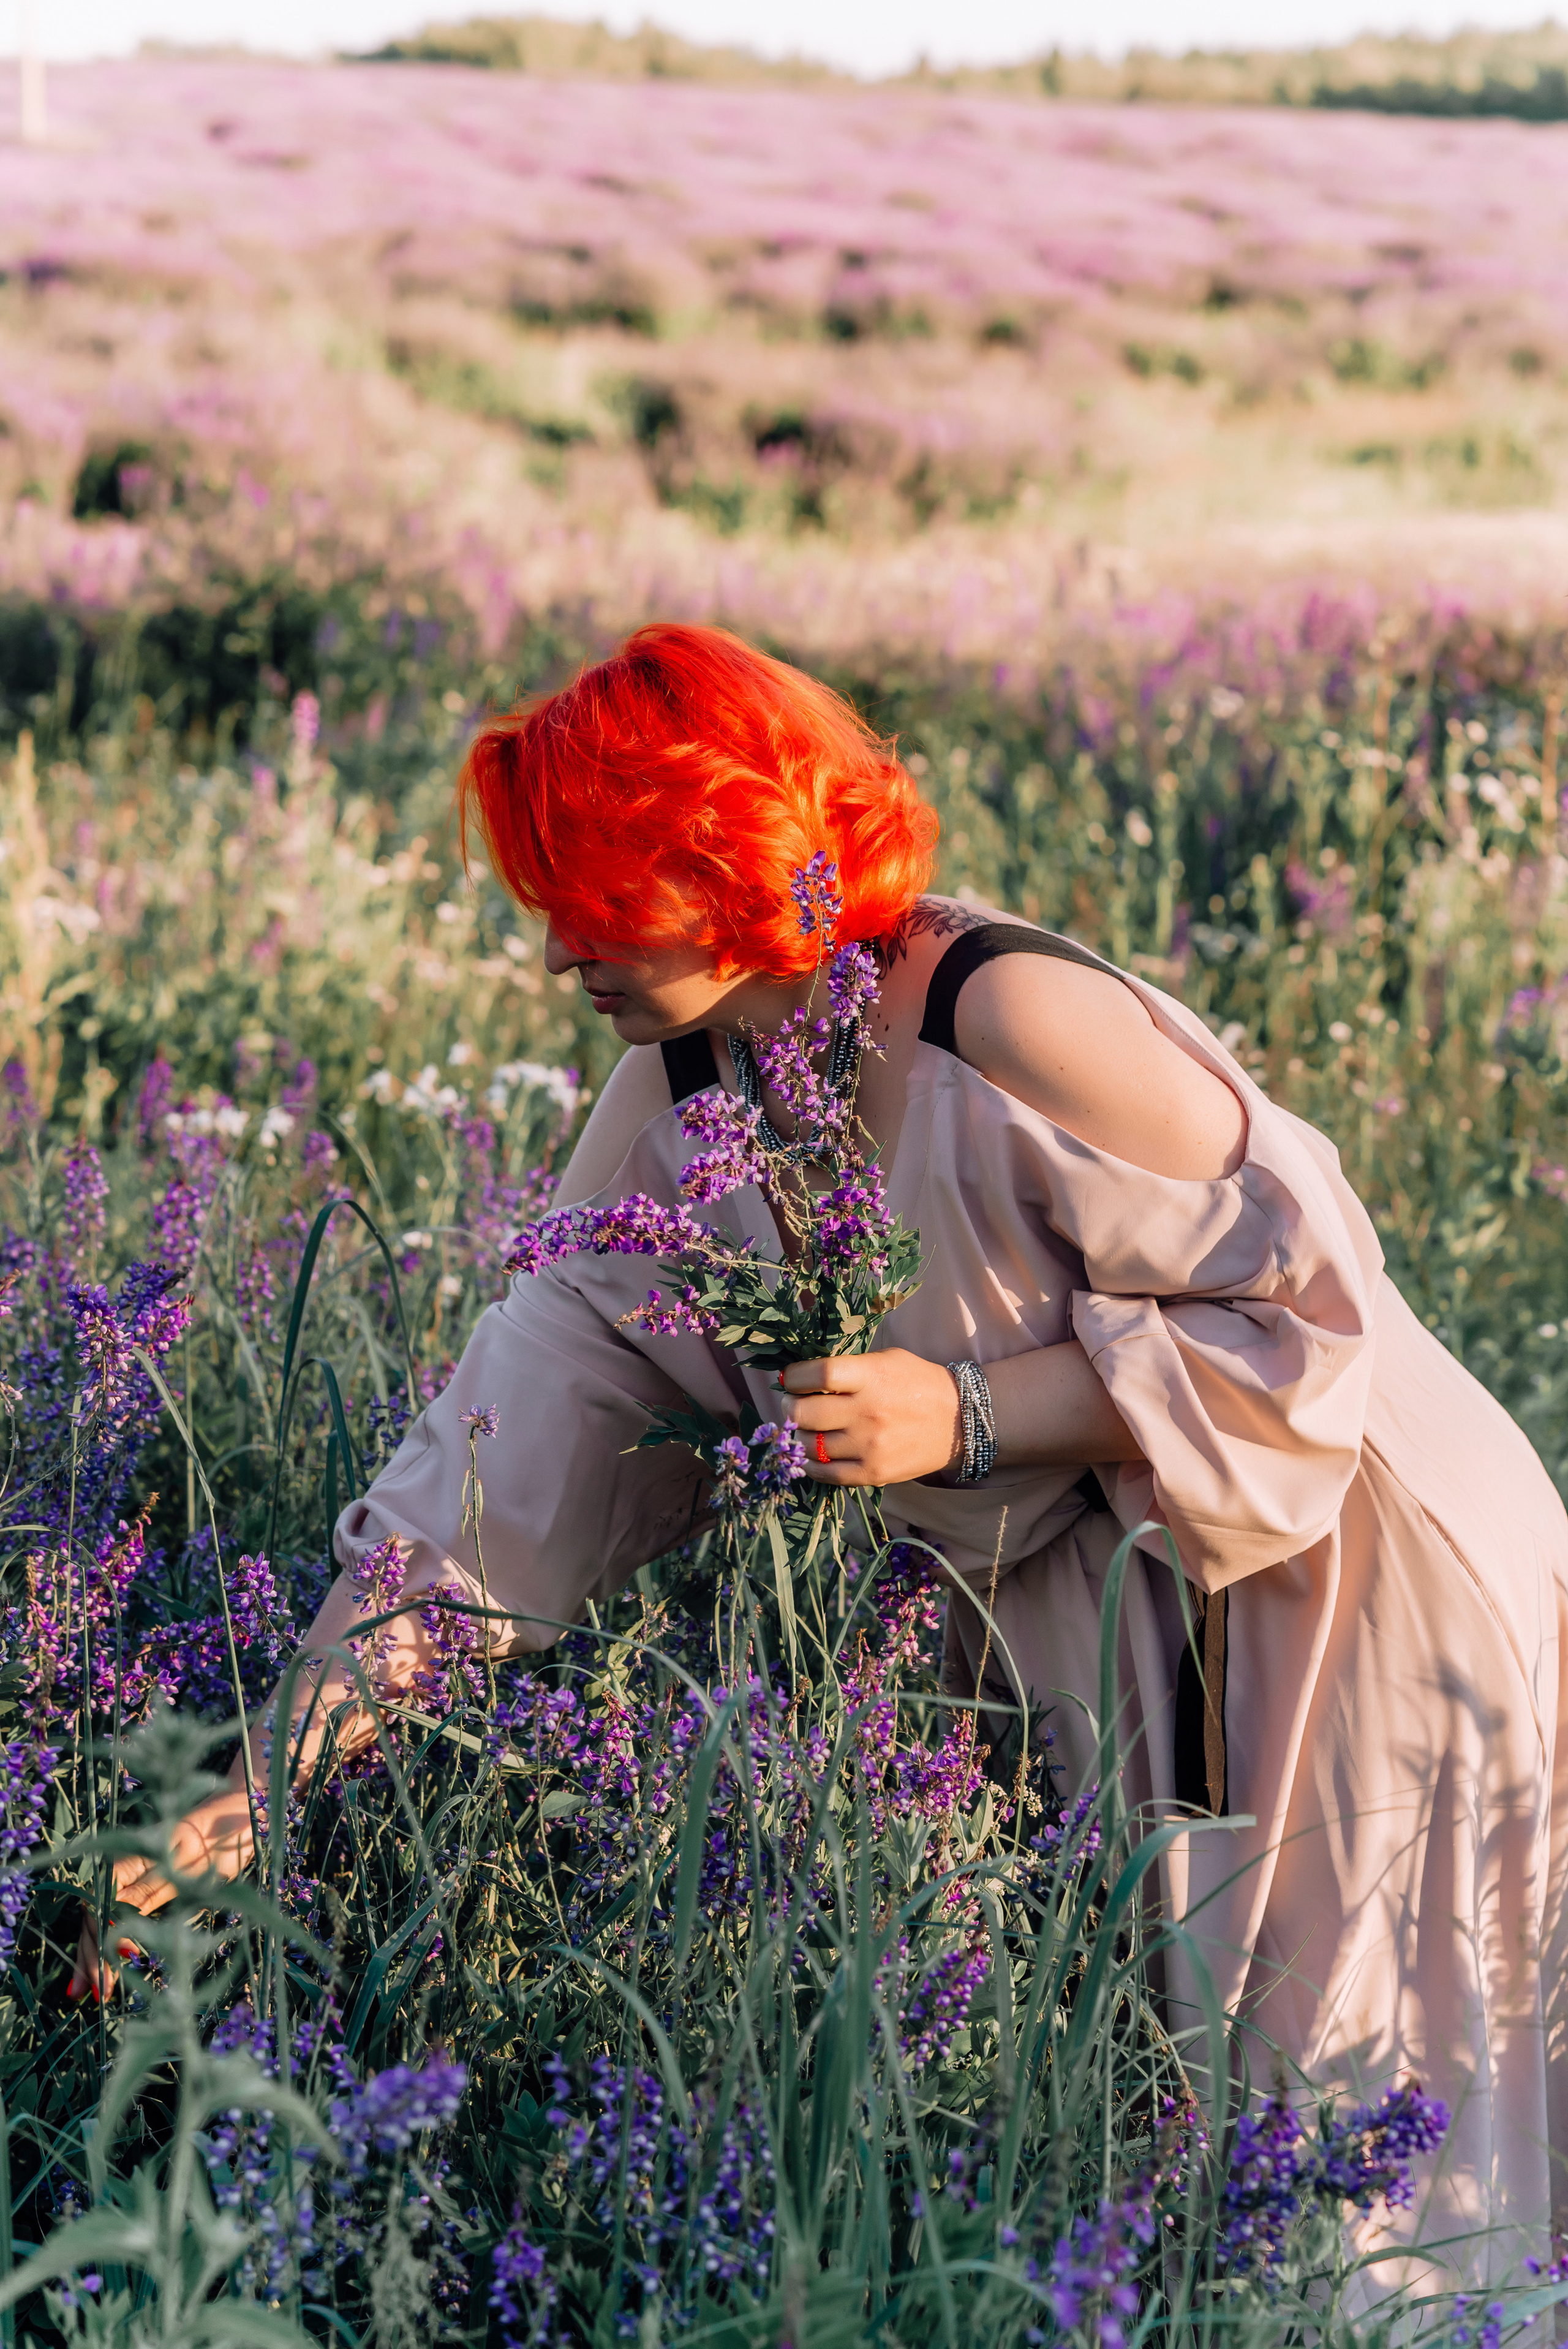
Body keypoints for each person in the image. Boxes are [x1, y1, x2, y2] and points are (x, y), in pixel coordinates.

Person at [77, 622, 1568, 2269]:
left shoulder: (1004, 1018)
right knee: (1182, 2115)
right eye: (543, 897)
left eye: (598, 883)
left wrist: (975, 1407)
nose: (557, 946)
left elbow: (1299, 1321)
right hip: (1114, 1615)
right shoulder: (678, 1095)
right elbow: (498, 1482)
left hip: (1326, 1573)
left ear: (726, 854)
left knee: (1352, 2103)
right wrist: (262, 1783)